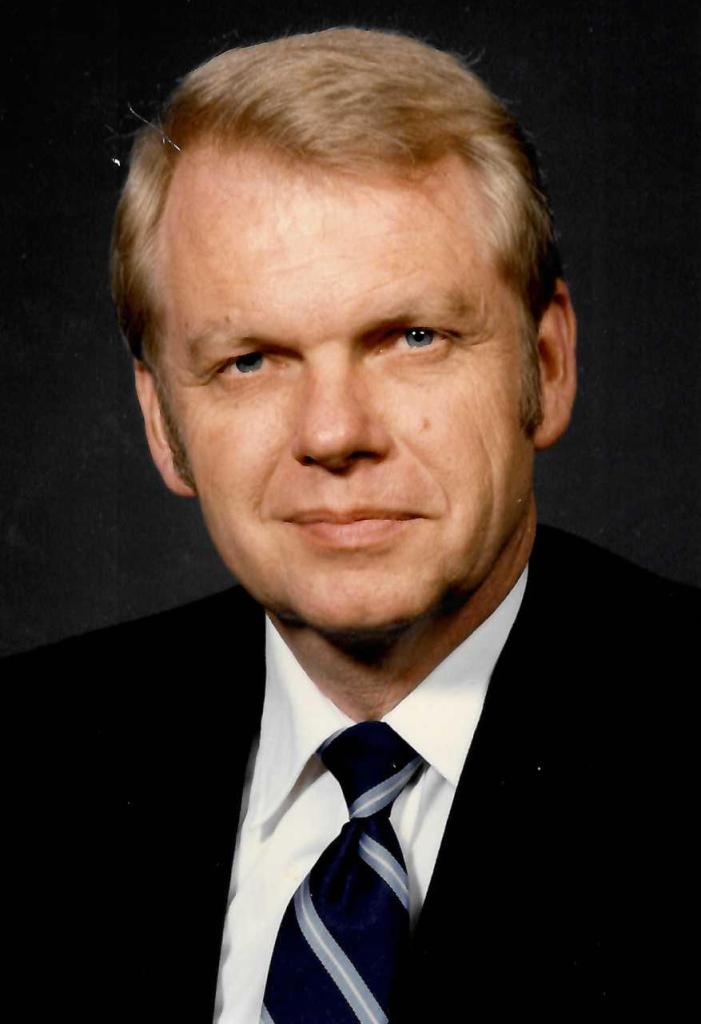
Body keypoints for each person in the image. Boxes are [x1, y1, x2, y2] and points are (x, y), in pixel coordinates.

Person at [7, 26, 697, 1023]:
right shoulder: (30, 760)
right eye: (249, 360)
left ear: (543, 367)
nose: (332, 434)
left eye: (412, 337)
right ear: (162, 424)